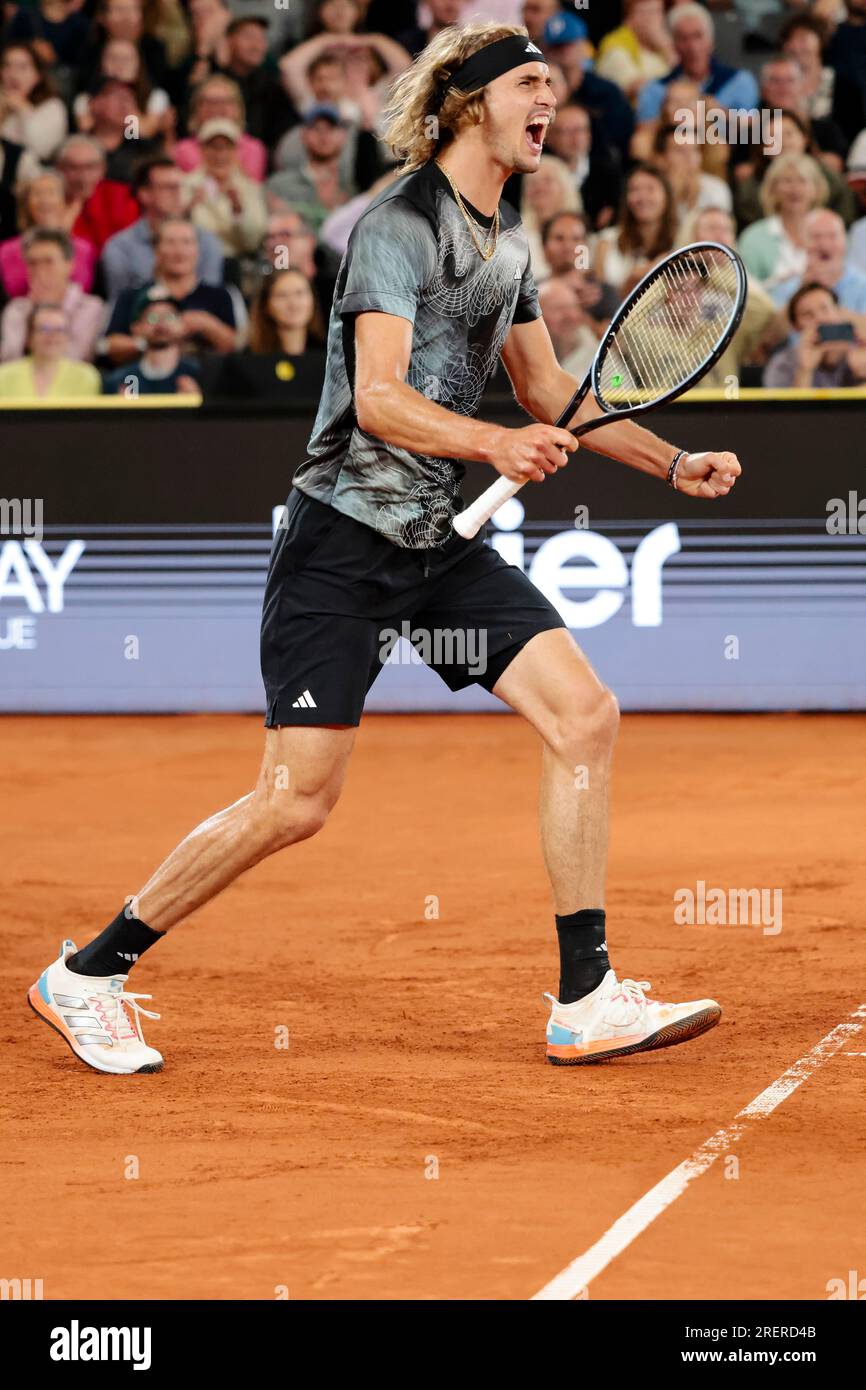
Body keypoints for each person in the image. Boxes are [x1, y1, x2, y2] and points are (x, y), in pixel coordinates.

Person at [27, 22, 740, 1077]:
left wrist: (671, 466)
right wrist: (495, 441)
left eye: (554, 83)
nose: (551, 98)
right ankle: (89, 970)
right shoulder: (396, 225)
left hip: (435, 542)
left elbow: (550, 394)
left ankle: (583, 996)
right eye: (530, 83)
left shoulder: (509, 239)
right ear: (469, 102)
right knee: (297, 801)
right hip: (342, 543)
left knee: (582, 714)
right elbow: (379, 398)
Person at [103, 215, 237, 363]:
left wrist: (204, 323)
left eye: (187, 242)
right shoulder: (132, 296)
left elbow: (232, 346)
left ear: (198, 250)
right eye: (170, 242)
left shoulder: (219, 296)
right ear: (156, 250)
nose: (179, 251)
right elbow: (111, 347)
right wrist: (152, 337)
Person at [100, 155, 224, 300]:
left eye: (180, 186)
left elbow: (210, 299)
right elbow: (121, 305)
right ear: (144, 194)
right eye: (168, 187)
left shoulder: (207, 242)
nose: (177, 193)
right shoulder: (120, 248)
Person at [689, 206, 784, 386]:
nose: (719, 235)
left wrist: (715, 275)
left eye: (725, 230)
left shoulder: (741, 278)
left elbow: (766, 310)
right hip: (672, 372)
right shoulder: (672, 273)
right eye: (711, 228)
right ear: (693, 235)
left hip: (724, 378)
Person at [634, 3, 759, 125]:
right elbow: (644, 132)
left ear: (710, 41)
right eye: (683, 38)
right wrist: (669, 115)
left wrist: (718, 112)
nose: (692, 47)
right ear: (674, 45)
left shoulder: (739, 82)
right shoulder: (656, 89)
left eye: (697, 36)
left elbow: (755, 129)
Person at [0, 227, 104, 362]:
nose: (40, 271)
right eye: (32, 263)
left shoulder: (90, 307)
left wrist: (47, 310)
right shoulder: (18, 309)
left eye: (48, 262)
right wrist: (32, 313)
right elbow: (9, 362)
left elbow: (75, 358)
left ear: (69, 265)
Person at [736, 151, 827, 296]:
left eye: (802, 180)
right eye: (787, 181)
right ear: (772, 189)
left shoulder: (830, 229)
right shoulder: (753, 237)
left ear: (816, 189)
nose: (794, 189)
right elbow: (748, 293)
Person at [0, 171, 96, 297]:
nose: (45, 200)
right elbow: (14, 288)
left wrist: (60, 234)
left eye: (51, 193)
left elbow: (83, 288)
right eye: (37, 194)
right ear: (26, 203)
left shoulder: (83, 249)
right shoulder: (7, 250)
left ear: (65, 201)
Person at [182, 117, 267, 258]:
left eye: (226, 147)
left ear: (235, 151)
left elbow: (253, 241)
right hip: (196, 260)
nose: (220, 154)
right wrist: (187, 211)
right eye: (213, 147)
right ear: (202, 150)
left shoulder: (250, 187)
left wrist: (238, 211)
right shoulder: (186, 185)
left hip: (239, 263)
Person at [594, 162, 678, 294]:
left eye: (650, 189)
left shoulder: (683, 242)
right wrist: (635, 278)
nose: (642, 197)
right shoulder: (606, 241)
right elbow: (602, 300)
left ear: (667, 196)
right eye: (635, 190)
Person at [763, 280, 866, 387]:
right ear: (796, 326)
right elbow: (788, 404)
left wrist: (862, 378)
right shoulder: (783, 364)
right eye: (808, 315)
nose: (820, 318)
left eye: (825, 309)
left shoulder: (859, 351)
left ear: (839, 312)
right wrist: (804, 371)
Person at [102, 290, 201, 394]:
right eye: (152, 318)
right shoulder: (121, 380)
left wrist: (197, 402)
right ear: (136, 327)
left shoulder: (199, 374)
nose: (161, 324)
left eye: (170, 317)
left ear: (182, 324)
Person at [172, 75, 267, 183]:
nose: (217, 108)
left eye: (225, 102)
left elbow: (251, 187)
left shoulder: (254, 148)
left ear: (238, 109)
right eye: (209, 102)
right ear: (196, 109)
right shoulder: (182, 150)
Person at [543, 99, 621, 230]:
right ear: (549, 138)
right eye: (566, 131)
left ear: (589, 135)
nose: (575, 138)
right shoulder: (539, 173)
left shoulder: (608, 171)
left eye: (580, 130)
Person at [771, 206, 866, 311]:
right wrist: (803, 290)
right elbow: (774, 326)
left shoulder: (862, 286)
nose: (824, 245)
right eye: (816, 237)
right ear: (803, 243)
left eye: (832, 236)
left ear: (845, 242)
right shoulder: (786, 288)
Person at [56, 134, 139, 253]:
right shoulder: (49, 198)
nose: (82, 177)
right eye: (73, 168)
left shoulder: (120, 196)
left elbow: (127, 248)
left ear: (103, 169)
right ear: (59, 169)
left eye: (90, 168)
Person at [0, 301, 101, 398]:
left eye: (59, 330)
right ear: (29, 335)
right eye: (44, 329)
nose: (52, 336)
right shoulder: (3, 376)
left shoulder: (86, 376)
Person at [0, 40, 68, 162]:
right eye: (7, 66)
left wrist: (23, 109)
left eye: (22, 67)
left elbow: (41, 150)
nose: (13, 74)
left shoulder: (52, 106)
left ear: (38, 75)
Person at [595, 0, 677, 100]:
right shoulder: (615, 47)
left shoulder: (660, 44)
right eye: (652, 12)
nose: (658, 19)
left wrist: (667, 49)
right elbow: (635, 89)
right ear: (631, 16)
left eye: (660, 11)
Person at [248, 267, 324, 354]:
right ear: (265, 305)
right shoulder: (247, 359)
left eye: (299, 293)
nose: (293, 304)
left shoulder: (333, 355)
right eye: (282, 295)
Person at [538, 275, 596, 377]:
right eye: (558, 309)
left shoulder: (596, 352)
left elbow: (618, 384)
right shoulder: (520, 361)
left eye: (573, 307)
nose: (571, 316)